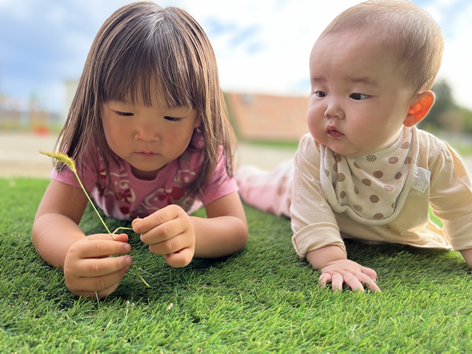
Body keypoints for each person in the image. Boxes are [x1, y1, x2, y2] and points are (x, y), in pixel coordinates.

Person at [236, 0, 472, 292]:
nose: (330, 109)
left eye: (357, 95)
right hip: (290, 186)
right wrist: (332, 259)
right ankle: (239, 176)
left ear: (414, 108)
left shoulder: (432, 157)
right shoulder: (314, 151)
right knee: (257, 185)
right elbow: (310, 214)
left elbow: (463, 211)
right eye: (320, 91)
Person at [32, 2, 248, 299]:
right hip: (111, 212)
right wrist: (72, 251)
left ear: (198, 115)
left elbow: (236, 227)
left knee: (250, 183)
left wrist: (194, 232)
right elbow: (51, 218)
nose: (146, 135)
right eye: (124, 112)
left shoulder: (204, 151)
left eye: (171, 117)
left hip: (184, 211)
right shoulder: (89, 145)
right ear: (98, 105)